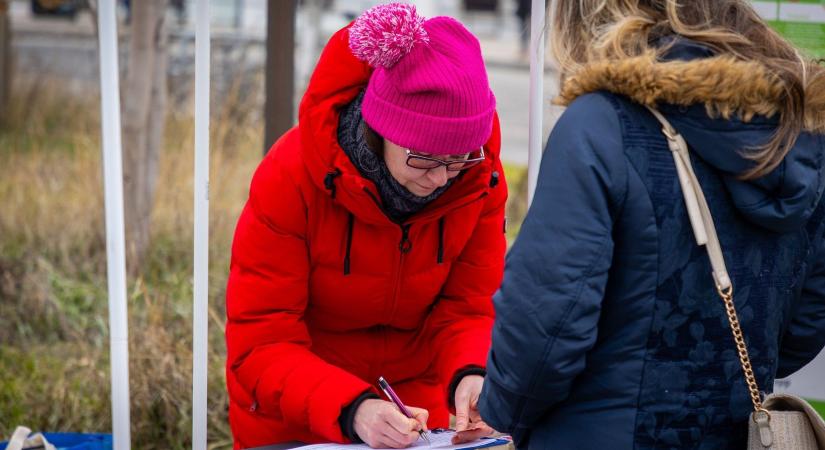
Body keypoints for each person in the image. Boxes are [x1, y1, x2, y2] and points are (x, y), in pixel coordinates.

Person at [478, 1, 825, 449]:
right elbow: (803, 327)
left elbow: (543, 330)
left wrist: (503, 411)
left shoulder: (603, 125)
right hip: (736, 432)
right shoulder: (802, 135)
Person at [225, 4, 507, 449]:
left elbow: (468, 308)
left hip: (419, 415)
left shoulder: (478, 179)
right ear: (380, 129)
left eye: (457, 160)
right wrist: (353, 408)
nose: (439, 178)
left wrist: (471, 374)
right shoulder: (291, 176)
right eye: (424, 159)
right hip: (298, 414)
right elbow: (261, 342)